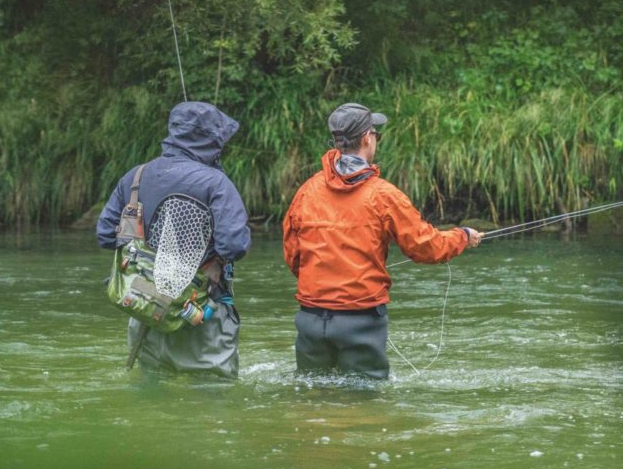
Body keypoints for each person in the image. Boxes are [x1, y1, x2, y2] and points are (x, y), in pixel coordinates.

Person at [282, 103, 482, 379]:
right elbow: (425, 247)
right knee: (365, 406)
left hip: (310, 321)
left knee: (313, 400)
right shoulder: (383, 195)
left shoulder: (307, 191)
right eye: (375, 133)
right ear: (366, 138)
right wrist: (462, 237)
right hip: (360, 323)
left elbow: (293, 255)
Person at [96, 101, 251, 379]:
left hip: (144, 306)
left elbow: (106, 236)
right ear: (211, 140)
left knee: (150, 399)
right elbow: (235, 245)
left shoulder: (135, 175)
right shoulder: (216, 183)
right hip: (199, 314)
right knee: (212, 398)